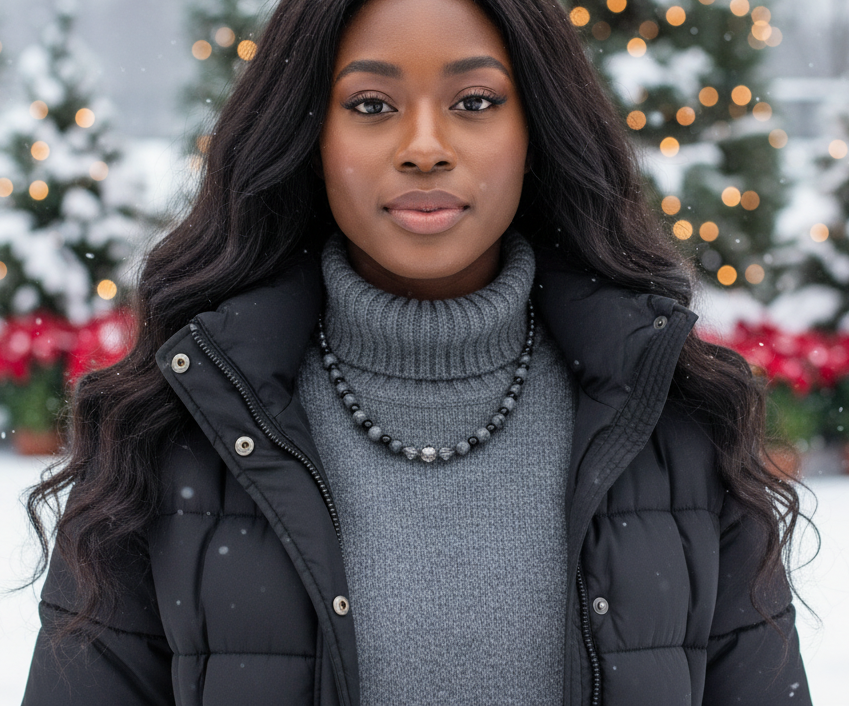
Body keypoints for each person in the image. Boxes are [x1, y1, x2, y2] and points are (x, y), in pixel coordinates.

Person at [23, 0, 811, 705]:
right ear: (309, 134)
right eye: (371, 104)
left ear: (534, 127)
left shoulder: (671, 418)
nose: (424, 147)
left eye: (474, 102)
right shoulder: (172, 424)